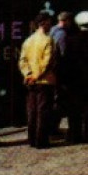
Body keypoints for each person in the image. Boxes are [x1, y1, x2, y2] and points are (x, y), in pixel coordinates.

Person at [51, 11, 88, 143]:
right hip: (63, 74)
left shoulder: (51, 30)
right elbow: (63, 55)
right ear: (68, 21)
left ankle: (54, 128)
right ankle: (57, 128)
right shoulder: (63, 35)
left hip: (53, 72)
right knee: (65, 103)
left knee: (57, 101)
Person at [18, 12, 57, 148]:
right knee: (43, 111)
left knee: (32, 110)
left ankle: (32, 139)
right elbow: (48, 61)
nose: (51, 25)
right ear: (44, 23)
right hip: (45, 81)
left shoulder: (28, 41)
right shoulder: (47, 40)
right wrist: (37, 75)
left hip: (30, 81)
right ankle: (41, 140)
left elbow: (22, 60)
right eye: (49, 22)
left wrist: (28, 74)